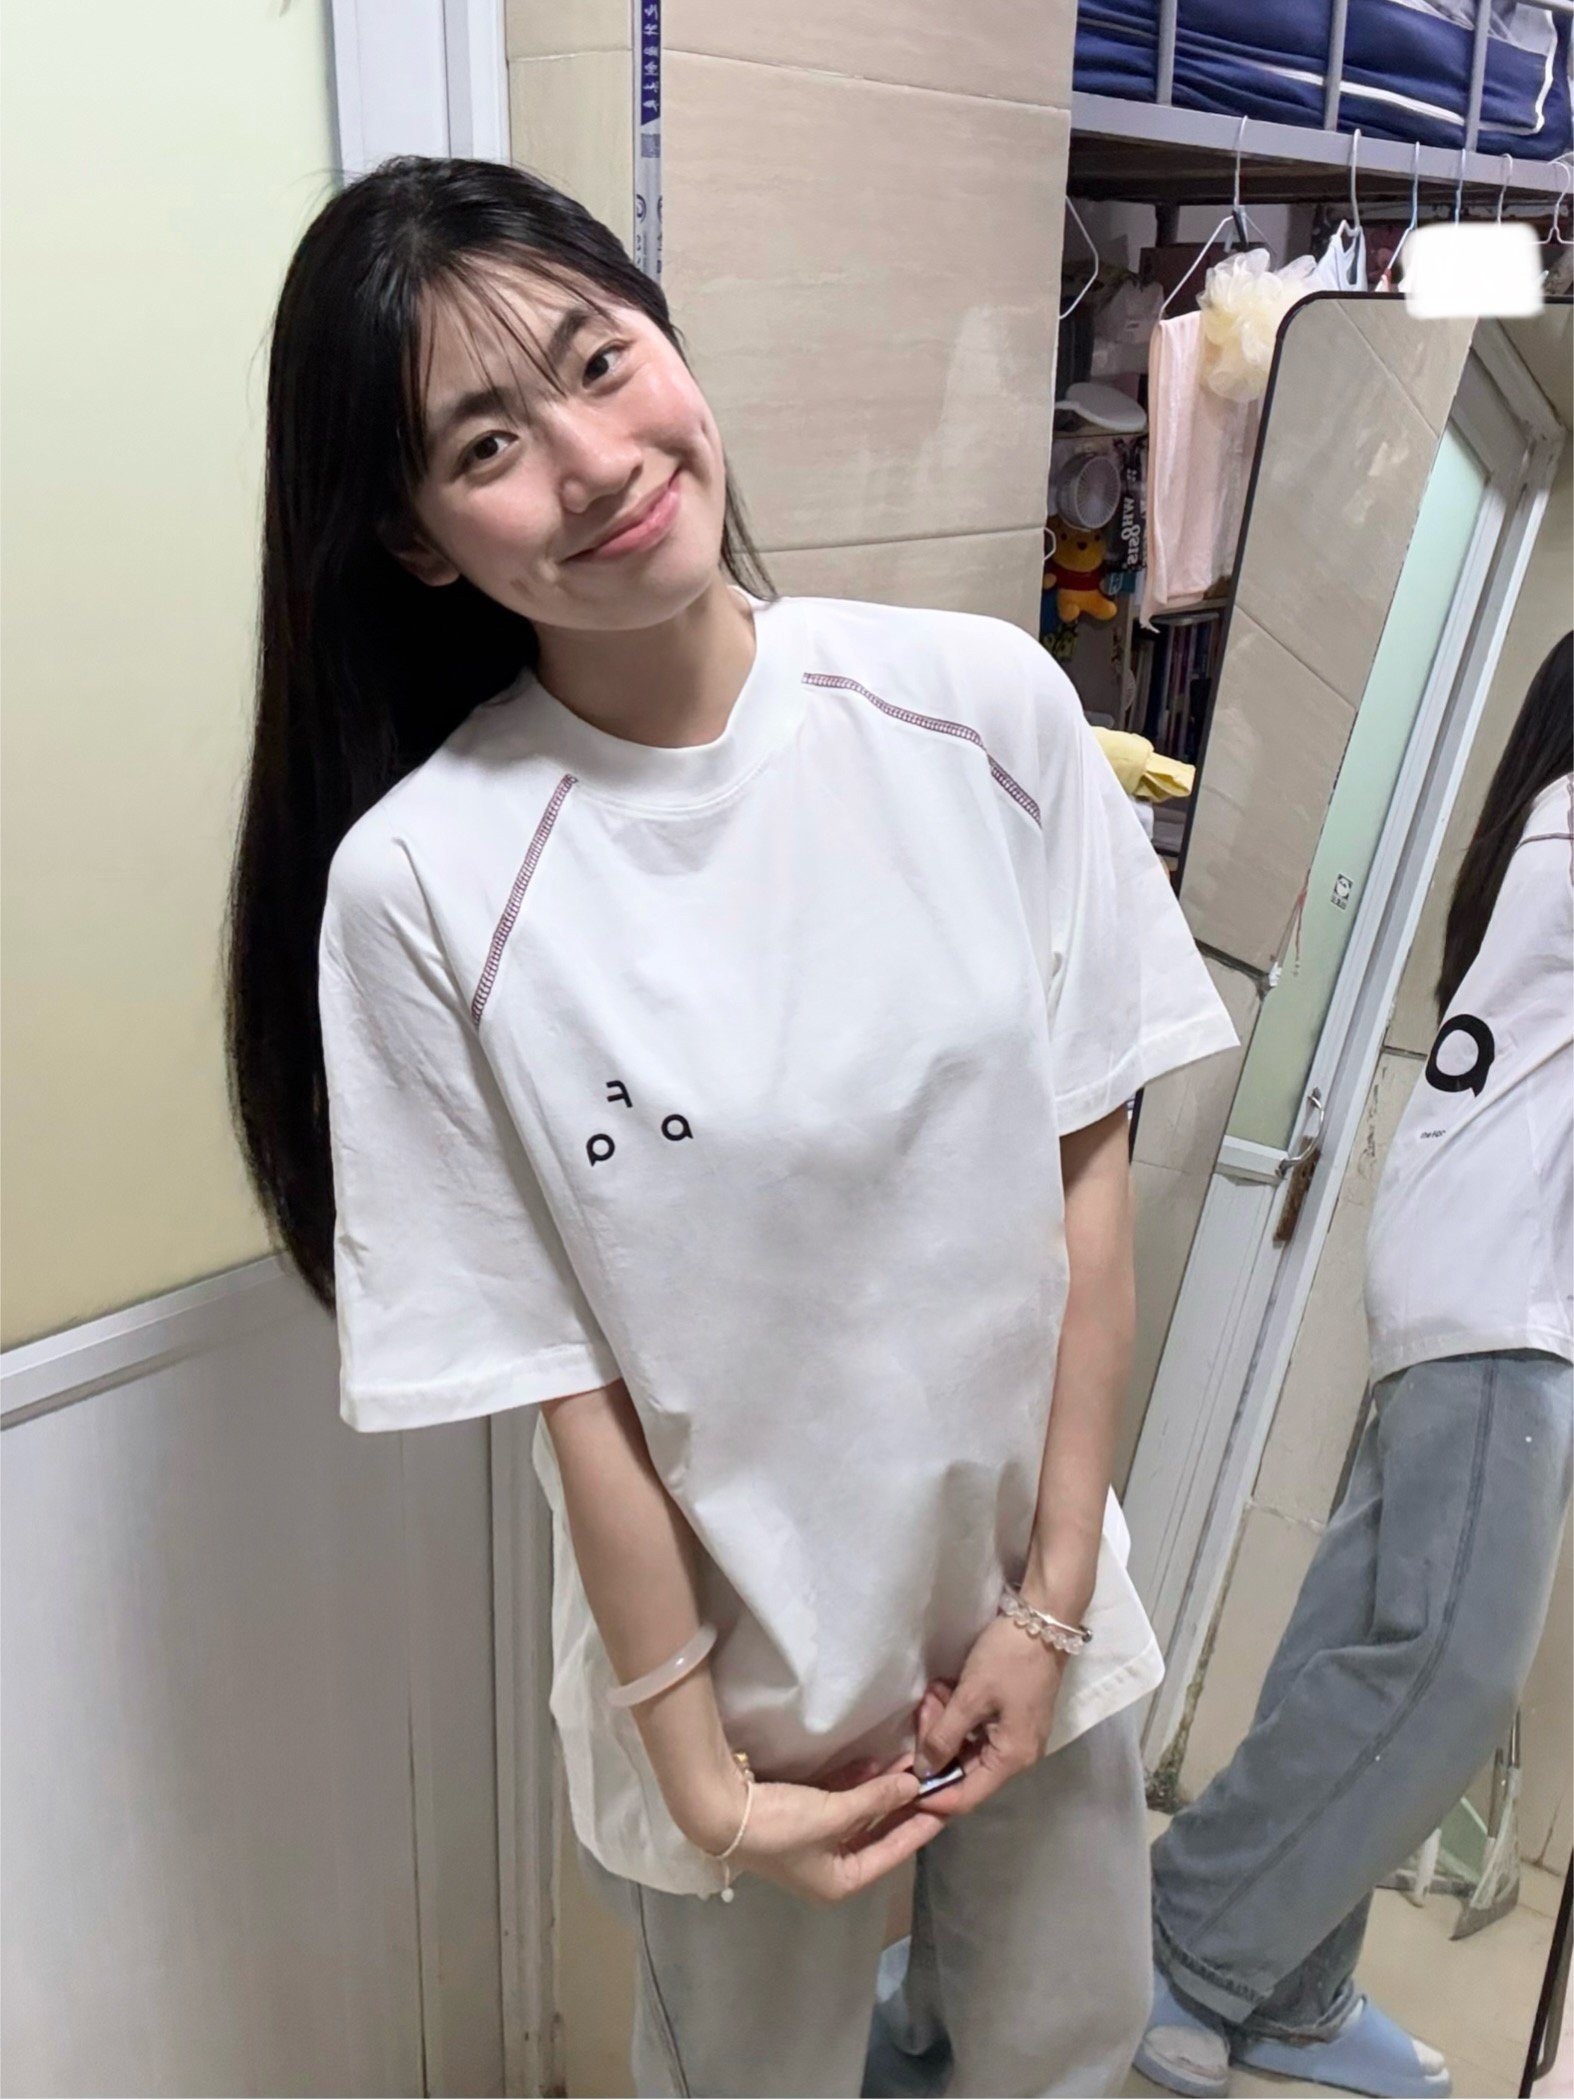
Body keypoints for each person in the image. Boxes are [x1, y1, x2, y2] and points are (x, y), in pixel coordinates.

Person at [225, 156, 1238, 2099]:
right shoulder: (425, 889)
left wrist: (1046, 1605)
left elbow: (1083, 1192)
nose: (595, 461)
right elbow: (572, 1389)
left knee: (1068, 2059)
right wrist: (702, 1777)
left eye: (601, 361)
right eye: (489, 443)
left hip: (1037, 1601)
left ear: (666, 341)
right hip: (735, 1697)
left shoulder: (981, 707)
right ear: (418, 539)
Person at [1137, 630, 1574, 2100]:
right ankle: (1184, 1940)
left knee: (1356, 1644)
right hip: (1501, 1292)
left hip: (1463, 1272)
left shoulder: (1542, 826)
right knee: (1449, 1669)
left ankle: (1292, 1986)